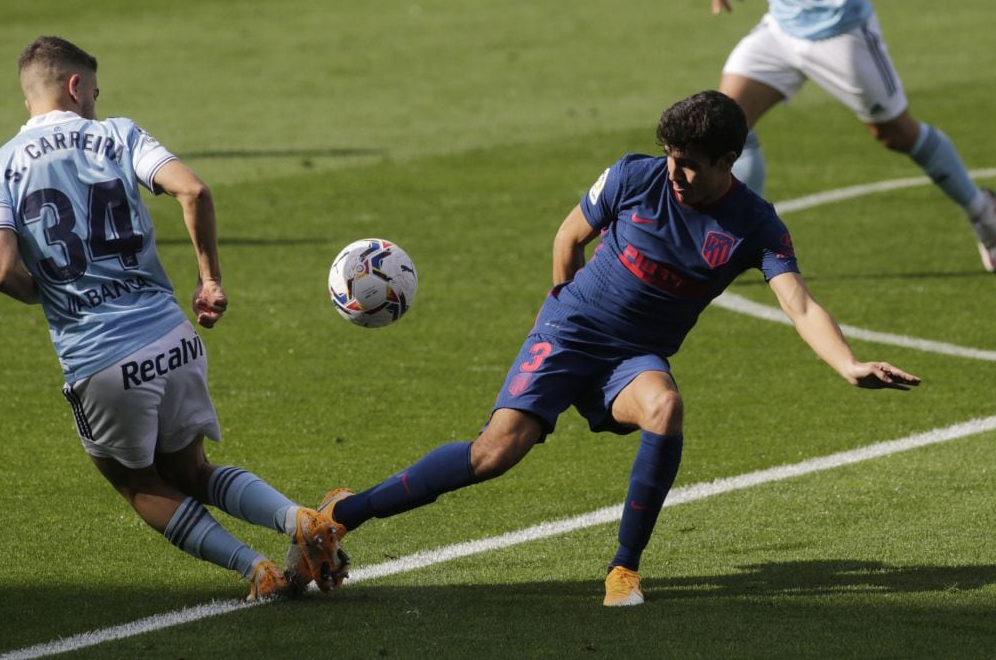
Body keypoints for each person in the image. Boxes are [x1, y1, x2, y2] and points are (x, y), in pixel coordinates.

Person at [306, 90, 920, 606]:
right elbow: (569, 237)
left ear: (728, 160)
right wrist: (557, 309)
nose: (674, 175)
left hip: (632, 358)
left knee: (665, 408)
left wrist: (847, 363)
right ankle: (345, 512)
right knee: (495, 455)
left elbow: (801, 305)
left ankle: (624, 568)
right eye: (671, 158)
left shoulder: (754, 224)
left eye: (689, 165)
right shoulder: (634, 175)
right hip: (569, 331)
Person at [0, 36, 347, 601]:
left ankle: (258, 570)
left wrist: (54, 295)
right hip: (173, 337)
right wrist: (208, 277)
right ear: (75, 86)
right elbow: (192, 190)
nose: (96, 103)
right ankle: (301, 520)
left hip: (98, 356)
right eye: (94, 93)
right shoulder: (119, 134)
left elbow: (1, 272)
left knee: (136, 481)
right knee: (192, 472)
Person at [709, 0, 996, 272]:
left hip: (841, 32)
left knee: (896, 133)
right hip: (780, 31)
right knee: (729, 123)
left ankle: (983, 211)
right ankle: (740, 236)